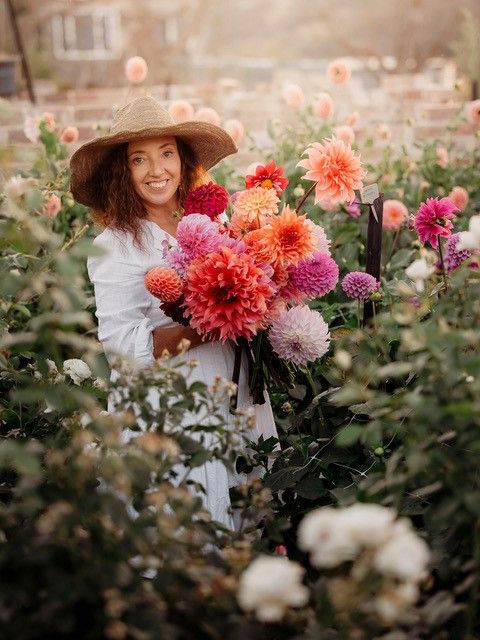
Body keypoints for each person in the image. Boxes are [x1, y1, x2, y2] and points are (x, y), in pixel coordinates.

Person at [70, 96, 278, 529]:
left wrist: (265, 292)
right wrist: (218, 315)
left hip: (233, 386)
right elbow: (123, 349)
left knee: (246, 508)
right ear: (121, 172)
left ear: (183, 162)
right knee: (190, 517)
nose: (156, 169)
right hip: (173, 401)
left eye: (166, 153)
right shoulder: (116, 245)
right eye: (138, 160)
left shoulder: (211, 222)